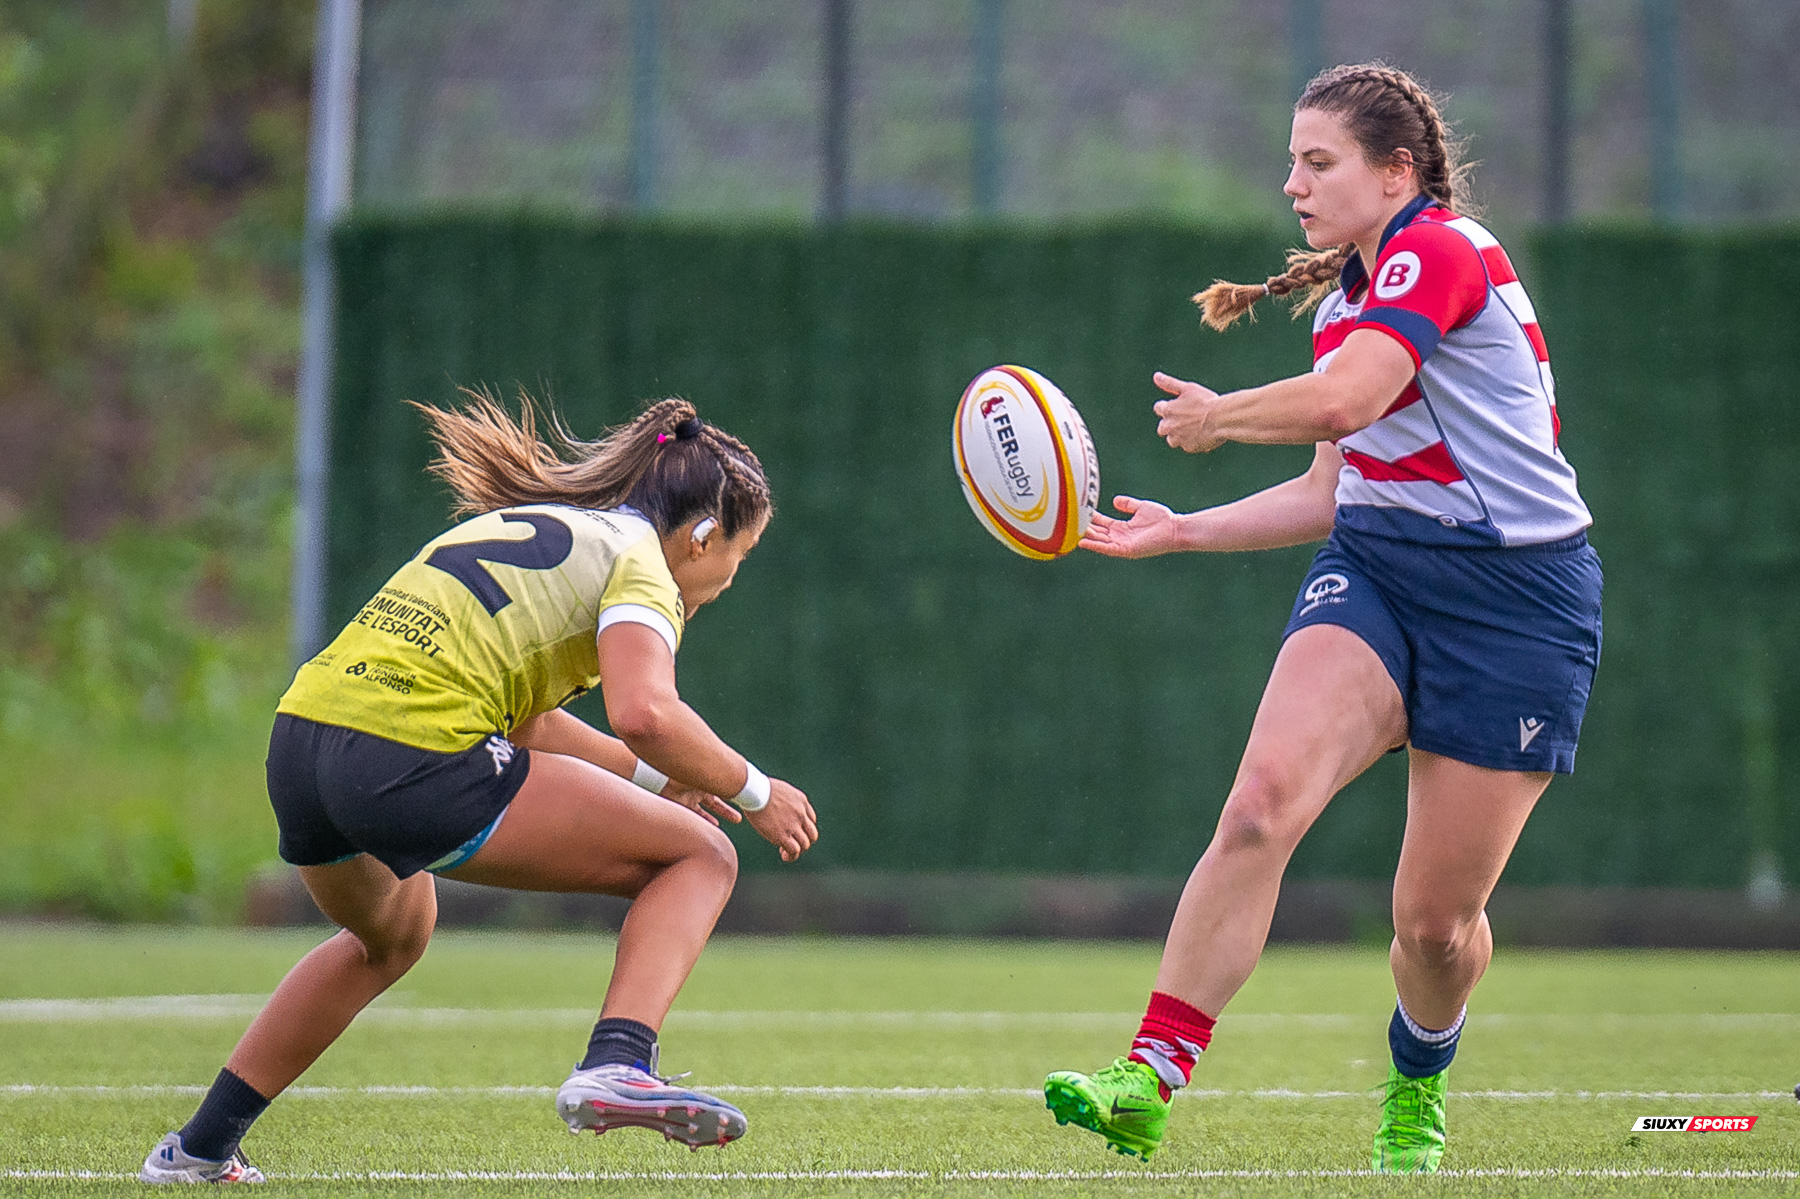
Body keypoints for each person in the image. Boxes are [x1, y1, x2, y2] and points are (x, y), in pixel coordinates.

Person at [1043, 62, 1602, 1173]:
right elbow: (1329, 490)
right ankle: (1147, 1076)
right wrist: (1183, 529)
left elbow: (1349, 399)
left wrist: (1216, 417)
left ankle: (1419, 1067)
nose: (1293, 184)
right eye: (1291, 160)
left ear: (1397, 170)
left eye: (1318, 161)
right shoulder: (1348, 298)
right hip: (1382, 573)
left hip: (1521, 606)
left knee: (1433, 927)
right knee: (1258, 806)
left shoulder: (1440, 251)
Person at [140, 392, 819, 1184]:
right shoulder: (641, 563)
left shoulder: (539, 527)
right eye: (733, 562)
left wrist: (656, 779)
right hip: (407, 757)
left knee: (392, 935)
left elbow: (526, 726)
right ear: (703, 536)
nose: (720, 587)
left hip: (303, 743)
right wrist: (753, 791)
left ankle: (199, 1147)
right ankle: (619, 1060)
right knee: (702, 858)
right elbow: (646, 711)